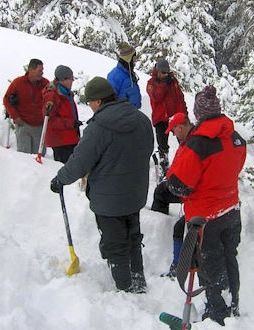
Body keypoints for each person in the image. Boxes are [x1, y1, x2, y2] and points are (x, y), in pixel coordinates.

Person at [49, 77, 154, 293]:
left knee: (115, 245)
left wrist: (61, 179)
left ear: (98, 101)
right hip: (135, 194)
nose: (90, 107)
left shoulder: (99, 128)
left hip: (108, 200)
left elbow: (80, 162)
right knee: (133, 238)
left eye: (90, 103)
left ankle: (125, 290)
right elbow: (147, 149)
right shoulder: (141, 119)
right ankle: (138, 281)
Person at [165, 85, 246, 325]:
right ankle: (233, 302)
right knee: (229, 256)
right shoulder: (234, 136)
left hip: (205, 215)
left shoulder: (198, 143)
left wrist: (176, 181)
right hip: (231, 207)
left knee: (210, 263)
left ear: (199, 114)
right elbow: (235, 166)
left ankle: (217, 313)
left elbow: (179, 184)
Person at [150, 113, 193, 278]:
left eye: (173, 131)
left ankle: (178, 266)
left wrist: (172, 183)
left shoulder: (192, 144)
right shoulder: (188, 141)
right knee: (160, 191)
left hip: (190, 192)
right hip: (186, 188)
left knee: (179, 229)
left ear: (180, 127)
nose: (173, 135)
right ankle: (160, 224)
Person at [146, 58, 188, 174]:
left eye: (166, 72)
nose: (165, 75)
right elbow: (156, 97)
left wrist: (184, 115)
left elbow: (180, 98)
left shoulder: (172, 81)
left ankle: (184, 165)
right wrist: (164, 84)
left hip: (174, 117)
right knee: (163, 146)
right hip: (160, 119)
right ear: (157, 71)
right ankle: (164, 168)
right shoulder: (151, 83)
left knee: (184, 142)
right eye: (162, 72)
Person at [3, 58, 49, 154]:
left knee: (39, 157)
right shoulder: (18, 83)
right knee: (24, 156)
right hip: (23, 124)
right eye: (40, 70)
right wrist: (15, 116)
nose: (42, 73)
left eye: (42, 70)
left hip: (40, 126)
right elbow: (6, 100)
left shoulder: (45, 84)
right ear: (31, 70)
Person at [42, 65, 81, 164]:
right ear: (63, 80)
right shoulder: (52, 95)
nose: (72, 81)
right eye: (70, 78)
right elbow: (50, 120)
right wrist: (71, 123)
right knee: (65, 168)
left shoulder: (66, 93)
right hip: (61, 141)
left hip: (69, 137)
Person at [107, 42, 141, 109]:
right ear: (128, 59)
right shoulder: (115, 75)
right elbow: (109, 100)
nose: (135, 60)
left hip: (133, 113)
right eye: (134, 57)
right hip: (122, 115)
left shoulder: (129, 73)